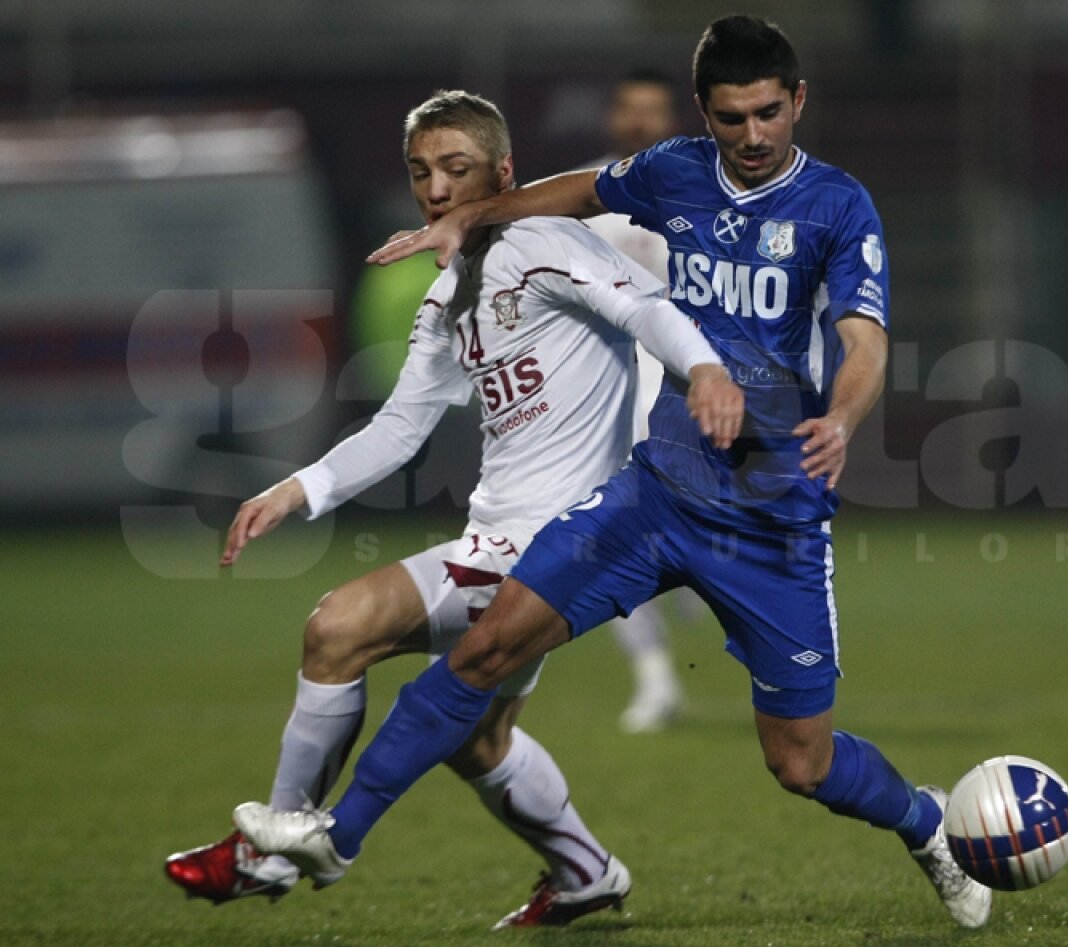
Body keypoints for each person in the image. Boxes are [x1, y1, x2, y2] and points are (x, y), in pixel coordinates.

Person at [235, 15, 993, 931]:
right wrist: (475, 213)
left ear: (797, 101)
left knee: (802, 762)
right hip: (657, 491)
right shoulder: (675, 170)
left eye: (766, 114)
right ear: (705, 114)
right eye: (730, 118)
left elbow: (863, 338)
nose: (751, 137)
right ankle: (336, 833)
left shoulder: (837, 205)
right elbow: (581, 189)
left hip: (770, 517)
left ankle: (927, 824)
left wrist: (842, 414)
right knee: (484, 650)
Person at [164, 89, 742, 929]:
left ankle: (268, 851)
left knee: (339, 625)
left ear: (504, 173)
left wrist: (710, 371)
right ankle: (586, 872)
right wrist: (298, 487)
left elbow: (645, 309)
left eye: (456, 168)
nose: (435, 187)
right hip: (507, 538)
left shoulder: (547, 240)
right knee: (479, 739)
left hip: (557, 543)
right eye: (421, 172)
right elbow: (402, 424)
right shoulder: (449, 294)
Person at [583, 70, 691, 733]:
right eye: (631, 109)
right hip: (603, 393)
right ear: (614, 117)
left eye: (654, 110)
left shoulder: (704, 194)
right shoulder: (581, 195)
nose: (641, 121)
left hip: (687, 387)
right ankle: (654, 679)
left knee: (700, 536)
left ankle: (685, 574)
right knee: (607, 538)